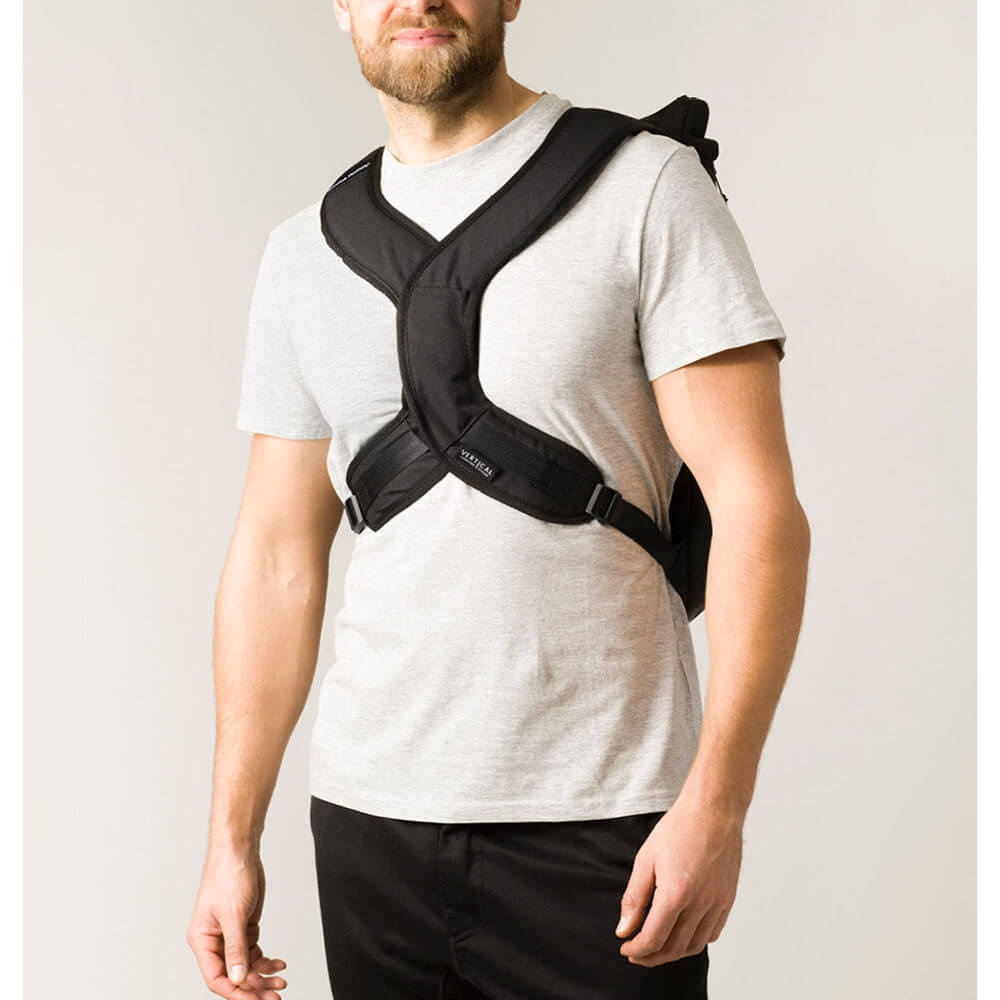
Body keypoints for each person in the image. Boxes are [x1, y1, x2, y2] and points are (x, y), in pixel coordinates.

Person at [186, 1, 811, 998]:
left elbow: (757, 509)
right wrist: (230, 837)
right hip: (368, 821)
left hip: (601, 822)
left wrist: (717, 806)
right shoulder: (303, 252)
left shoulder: (646, 189)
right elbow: (274, 555)